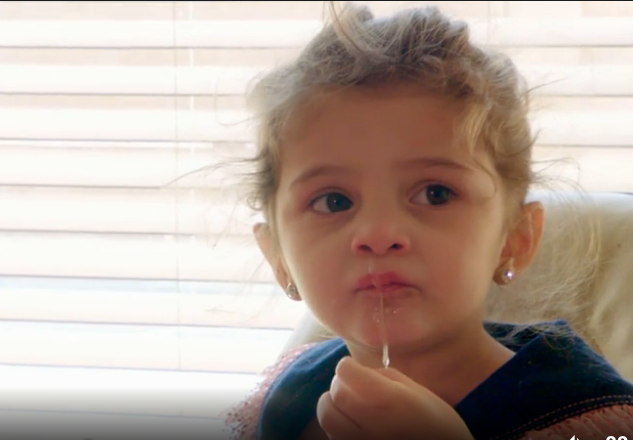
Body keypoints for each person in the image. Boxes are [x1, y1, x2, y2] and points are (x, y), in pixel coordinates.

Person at [223, 2, 633, 439]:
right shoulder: (286, 395)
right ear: (278, 257)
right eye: (333, 201)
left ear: (516, 239)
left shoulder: (590, 415)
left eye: (435, 194)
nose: (379, 235)